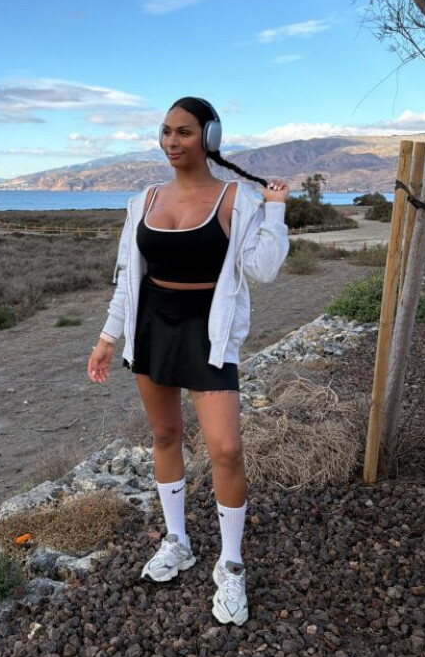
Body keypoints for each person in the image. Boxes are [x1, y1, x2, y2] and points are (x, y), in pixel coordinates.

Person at [87, 96, 290, 625]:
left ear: (209, 137)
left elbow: (263, 269)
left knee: (226, 448)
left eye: (183, 132)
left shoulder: (238, 199)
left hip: (208, 333)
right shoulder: (143, 200)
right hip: (152, 327)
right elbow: (128, 276)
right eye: (165, 131)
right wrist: (108, 337)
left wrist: (275, 210)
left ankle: (232, 565)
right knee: (164, 436)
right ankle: (177, 541)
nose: (171, 142)